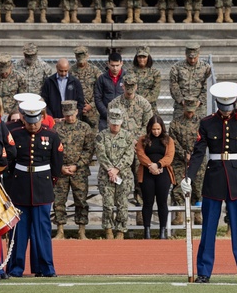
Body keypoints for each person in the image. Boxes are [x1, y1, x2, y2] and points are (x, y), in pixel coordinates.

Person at [180, 82, 237, 284]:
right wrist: (188, 176)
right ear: (217, 104)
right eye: (222, 107)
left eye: (229, 107)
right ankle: (204, 272)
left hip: (236, 179)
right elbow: (198, 153)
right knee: (209, 229)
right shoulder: (207, 123)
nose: (226, 111)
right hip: (214, 178)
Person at [6, 95, 63, 276]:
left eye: (35, 121)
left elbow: (56, 164)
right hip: (20, 186)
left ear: (41, 117)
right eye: (29, 121)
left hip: (42, 187)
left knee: (42, 231)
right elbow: (10, 162)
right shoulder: (15, 134)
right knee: (19, 232)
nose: (32, 125)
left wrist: (50, 183)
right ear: (23, 118)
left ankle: (45, 267)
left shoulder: (51, 136)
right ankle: (15, 268)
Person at [52, 100, 95, 238]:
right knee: (59, 200)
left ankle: (81, 230)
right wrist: (61, 167)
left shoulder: (85, 128)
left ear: (76, 112)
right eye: (66, 114)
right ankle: (60, 230)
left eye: (71, 114)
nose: (69, 117)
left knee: (81, 200)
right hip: (62, 171)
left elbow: (89, 150)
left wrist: (77, 165)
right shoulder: (56, 129)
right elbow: (53, 151)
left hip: (79, 171)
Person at [96, 106, 133, 239]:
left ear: (122, 122)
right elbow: (101, 155)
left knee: (122, 204)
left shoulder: (128, 136)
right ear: (108, 122)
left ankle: (121, 231)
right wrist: (110, 170)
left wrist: (117, 169)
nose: (115, 126)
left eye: (117, 123)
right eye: (113, 123)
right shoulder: (101, 136)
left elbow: (129, 155)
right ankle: (108, 230)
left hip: (123, 175)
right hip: (106, 176)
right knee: (108, 204)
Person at [136, 115, 174, 239]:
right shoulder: (143, 139)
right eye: (154, 129)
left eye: (158, 129)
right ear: (149, 129)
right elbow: (140, 154)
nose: (156, 132)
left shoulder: (168, 140)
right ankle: (147, 231)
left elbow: (169, 156)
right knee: (147, 202)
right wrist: (150, 166)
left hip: (163, 173)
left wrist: (158, 165)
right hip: (147, 173)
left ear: (162, 128)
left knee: (162, 202)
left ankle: (162, 232)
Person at [94, 52, 124, 130]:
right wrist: (106, 114)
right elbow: (97, 98)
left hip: (124, 117)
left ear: (121, 63)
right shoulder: (102, 79)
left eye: (117, 65)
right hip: (105, 118)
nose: (115, 68)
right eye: (112, 65)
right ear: (108, 64)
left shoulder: (127, 78)